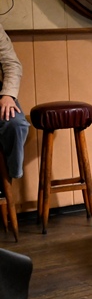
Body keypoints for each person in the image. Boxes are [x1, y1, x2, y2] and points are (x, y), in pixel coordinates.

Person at [0, 24, 29, 181]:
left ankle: (10, 176)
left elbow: (12, 64)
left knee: (16, 123)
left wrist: (8, 95)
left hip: (1, 93)